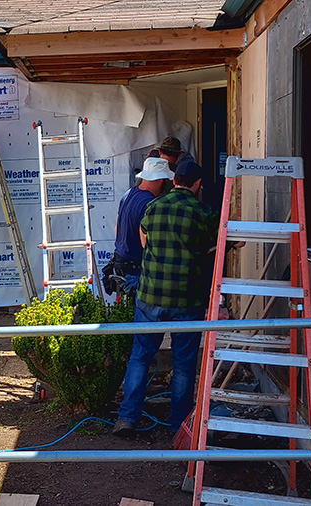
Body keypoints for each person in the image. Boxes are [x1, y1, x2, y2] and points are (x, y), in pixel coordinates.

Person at [113, 160, 227, 437]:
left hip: (150, 295)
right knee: (184, 363)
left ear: (174, 180)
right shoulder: (204, 212)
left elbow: (144, 242)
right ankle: (179, 426)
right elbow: (224, 241)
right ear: (197, 184)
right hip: (186, 300)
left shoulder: (152, 207)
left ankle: (127, 418)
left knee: (140, 356)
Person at [105, 157, 174, 298]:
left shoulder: (128, 194)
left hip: (120, 267)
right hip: (134, 271)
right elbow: (146, 243)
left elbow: (117, 228)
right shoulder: (149, 203)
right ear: (161, 181)